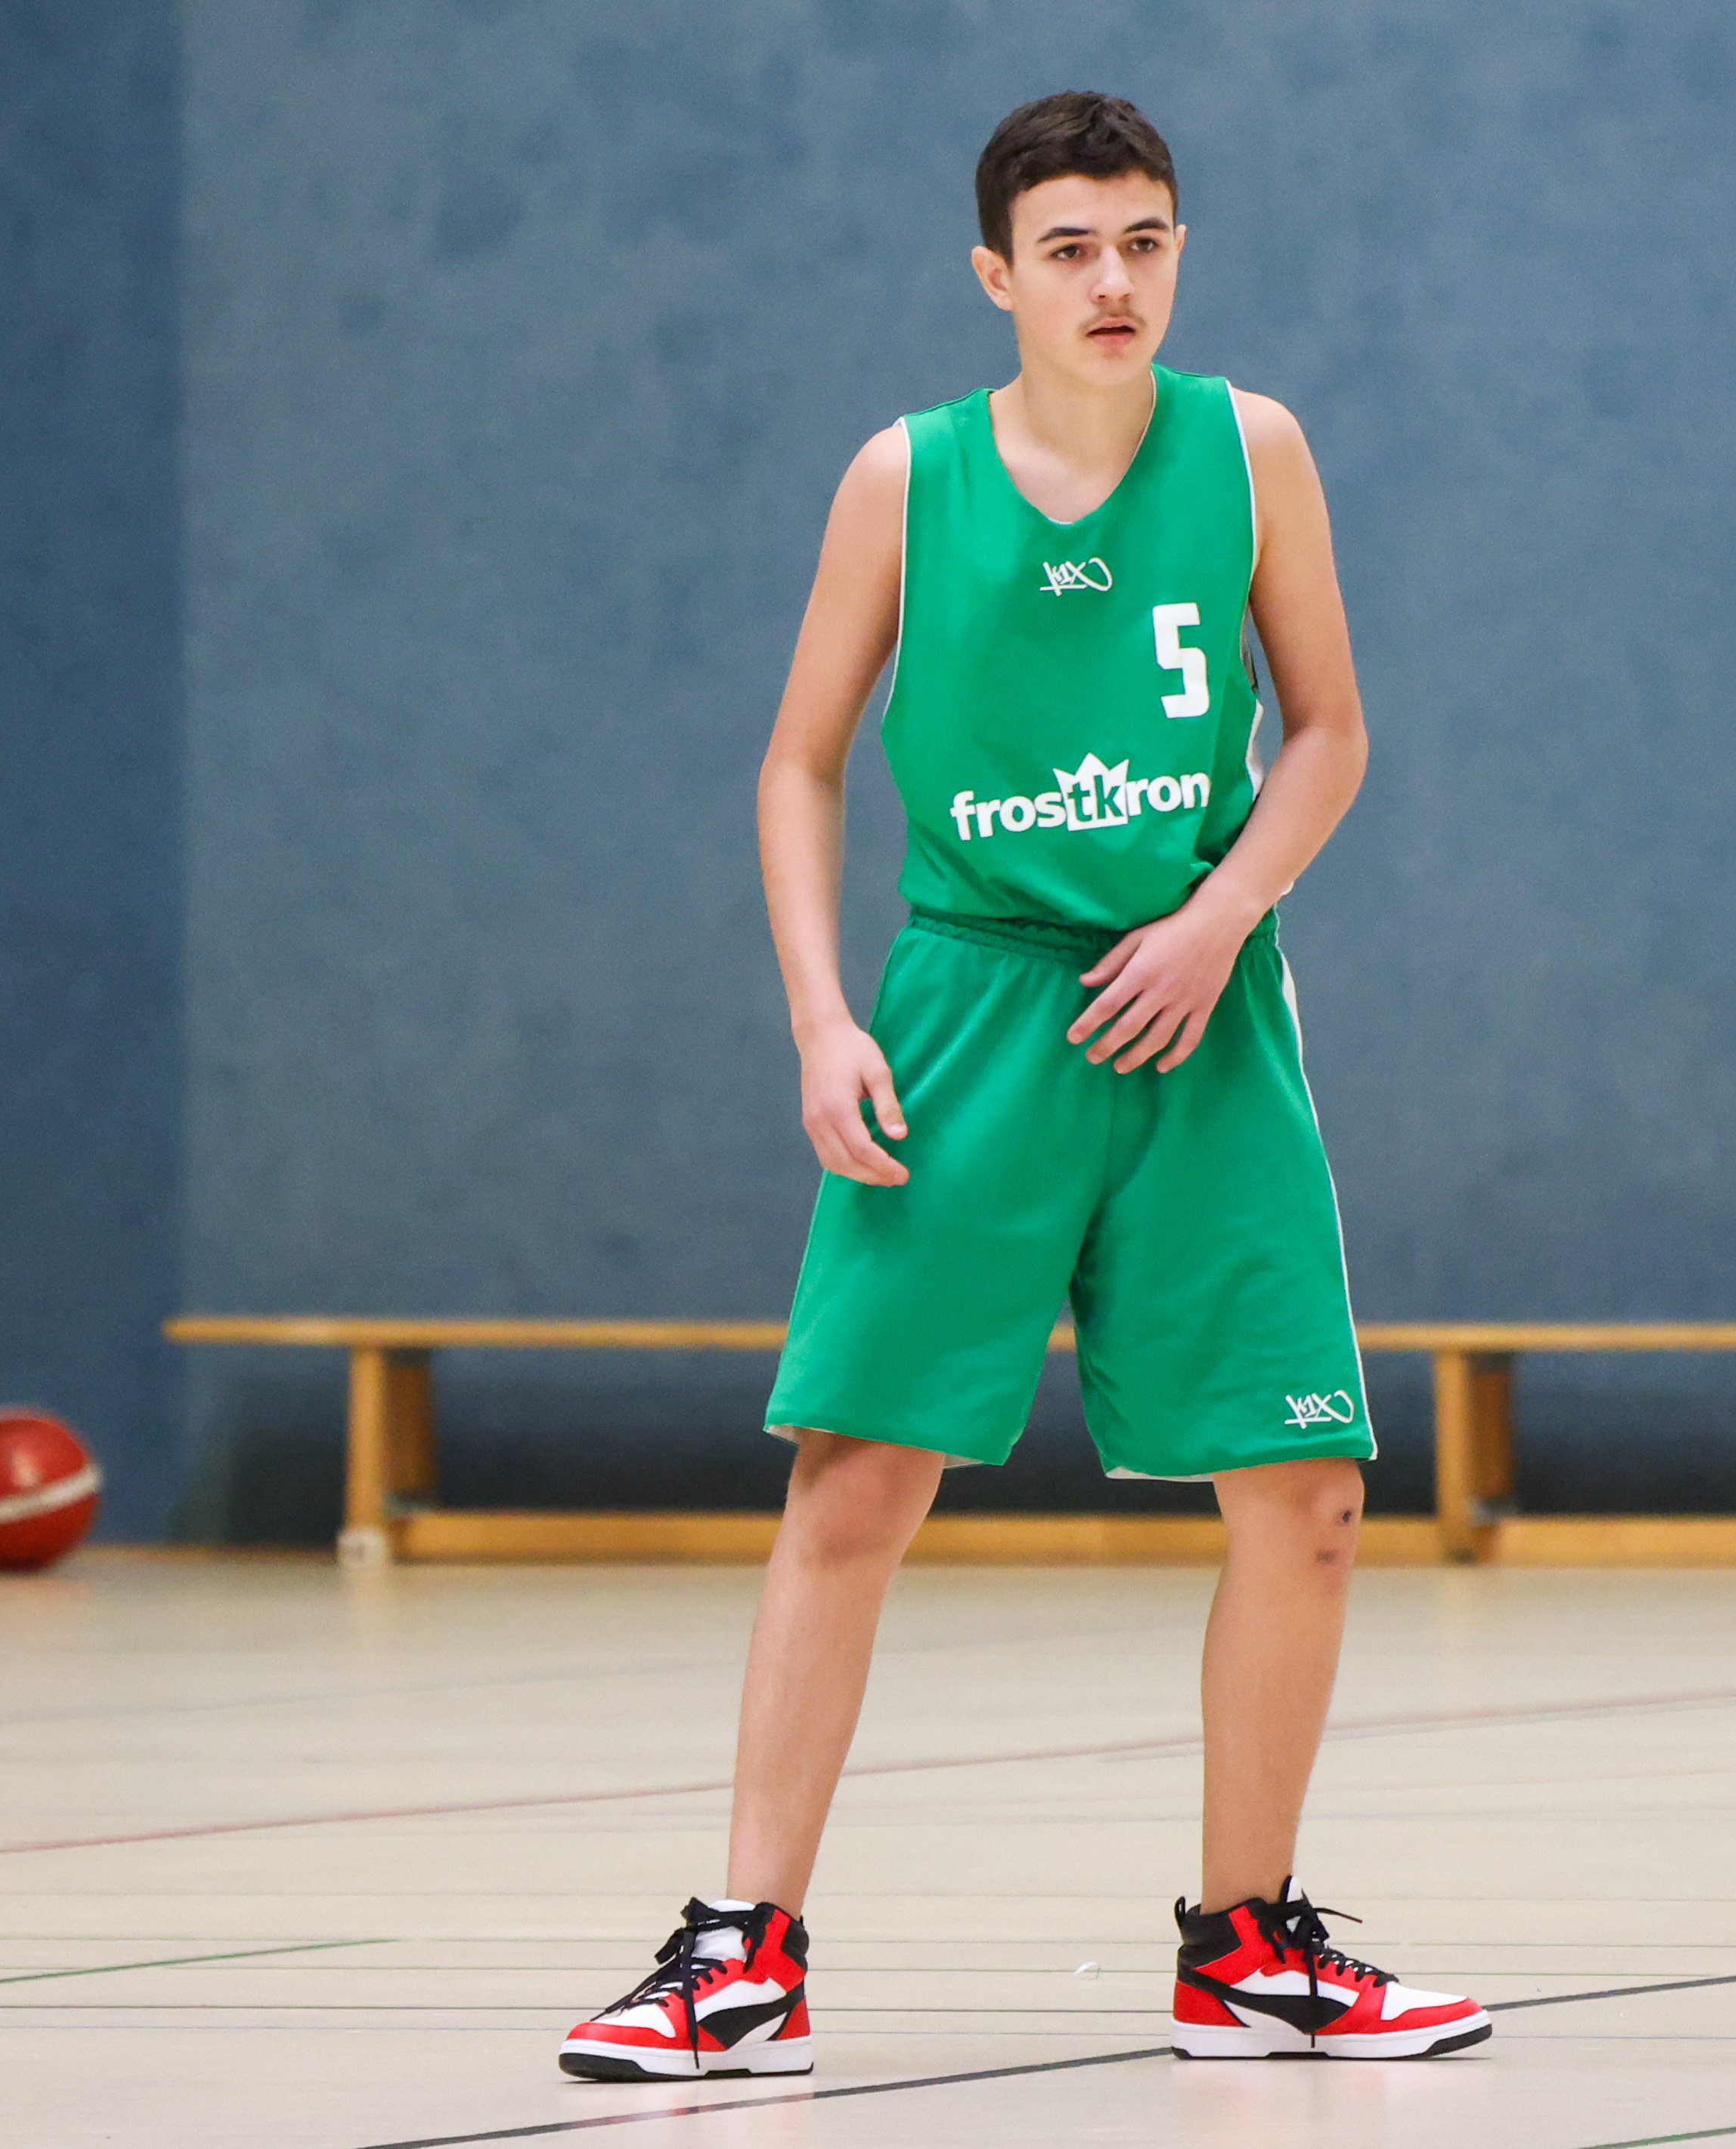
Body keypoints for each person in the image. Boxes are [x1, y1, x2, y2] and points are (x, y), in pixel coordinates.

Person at [558, 91, 1491, 2080]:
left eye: (1144, 241)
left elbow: (1328, 732)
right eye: (1069, 249)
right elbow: (799, 759)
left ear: (1180, 253)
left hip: (1198, 1011)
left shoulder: (1253, 450)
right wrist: (822, 1018)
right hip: (970, 1011)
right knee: (856, 1478)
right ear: (996, 274)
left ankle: (1248, 1947)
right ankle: (741, 1956)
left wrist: (1221, 915)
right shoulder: (905, 478)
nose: (1112, 281)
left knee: (1310, 1496)